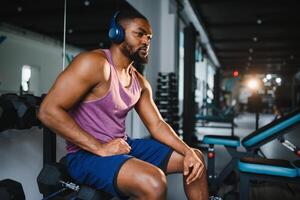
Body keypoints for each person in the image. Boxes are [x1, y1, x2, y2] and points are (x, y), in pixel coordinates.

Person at [38, 10, 208, 200]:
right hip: (85, 156)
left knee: (195, 159)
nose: (146, 41)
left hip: (121, 145)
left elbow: (157, 125)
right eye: (139, 34)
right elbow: (47, 111)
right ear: (116, 34)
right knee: (154, 182)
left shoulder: (139, 82)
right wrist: (100, 148)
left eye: (149, 37)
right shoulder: (95, 64)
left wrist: (188, 150)